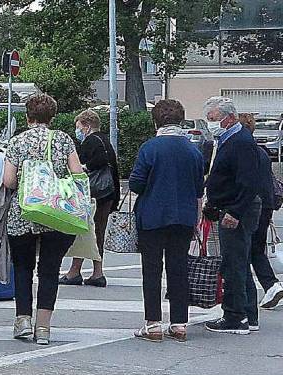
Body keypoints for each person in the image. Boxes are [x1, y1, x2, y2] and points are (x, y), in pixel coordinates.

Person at [2, 94, 84, 345]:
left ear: (27, 116)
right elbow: (77, 174)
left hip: (23, 213)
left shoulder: (17, 142)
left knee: (23, 267)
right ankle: (44, 328)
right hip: (56, 214)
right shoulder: (63, 140)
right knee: (49, 269)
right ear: (52, 116)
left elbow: (9, 181)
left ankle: (23, 320)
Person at [128, 100, 205, 342]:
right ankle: (179, 323)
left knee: (151, 270)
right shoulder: (193, 150)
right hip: (183, 216)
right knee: (178, 269)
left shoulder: (150, 148)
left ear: (156, 121)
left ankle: (153, 324)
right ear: (180, 120)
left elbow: (136, 183)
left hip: (152, 216)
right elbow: (198, 187)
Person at [203, 96, 263, 334]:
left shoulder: (240, 142)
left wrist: (235, 212)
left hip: (237, 210)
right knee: (240, 262)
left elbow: (248, 182)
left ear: (227, 118)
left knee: (234, 264)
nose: (210, 124)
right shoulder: (229, 139)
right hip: (230, 207)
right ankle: (249, 314)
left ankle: (235, 317)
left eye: (213, 119)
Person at [60, 109, 120, 287]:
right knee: (97, 232)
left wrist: (84, 167)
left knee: (83, 230)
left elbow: (86, 165)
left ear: (86, 126)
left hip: (94, 194)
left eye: (78, 127)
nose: (77, 131)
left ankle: (76, 271)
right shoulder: (105, 140)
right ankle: (95, 272)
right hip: (107, 193)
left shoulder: (91, 142)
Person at [250, 143, 283, 312]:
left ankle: (269, 284)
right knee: (256, 249)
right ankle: (271, 285)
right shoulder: (262, 152)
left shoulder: (245, 151)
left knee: (244, 250)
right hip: (266, 204)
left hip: (251, 206)